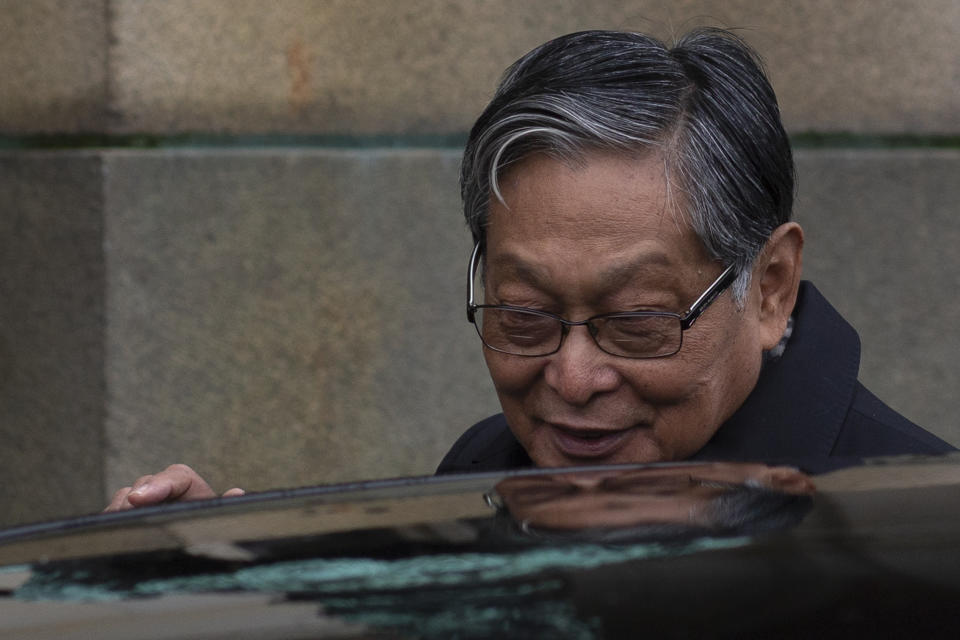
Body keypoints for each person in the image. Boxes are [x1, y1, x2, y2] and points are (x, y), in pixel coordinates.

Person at [105, 28, 953, 512]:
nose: (572, 379)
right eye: (524, 315)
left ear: (768, 287)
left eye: (637, 321)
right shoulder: (485, 475)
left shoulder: (913, 533)